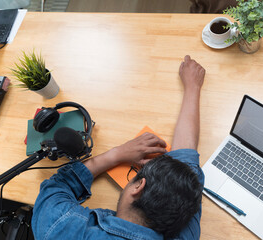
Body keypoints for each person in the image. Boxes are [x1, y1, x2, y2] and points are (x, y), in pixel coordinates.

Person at [31, 55, 206, 239]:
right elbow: (187, 165)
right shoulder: (186, 232)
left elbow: (57, 187)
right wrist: (193, 87)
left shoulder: (60, 228)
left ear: (138, 187)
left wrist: (116, 154)